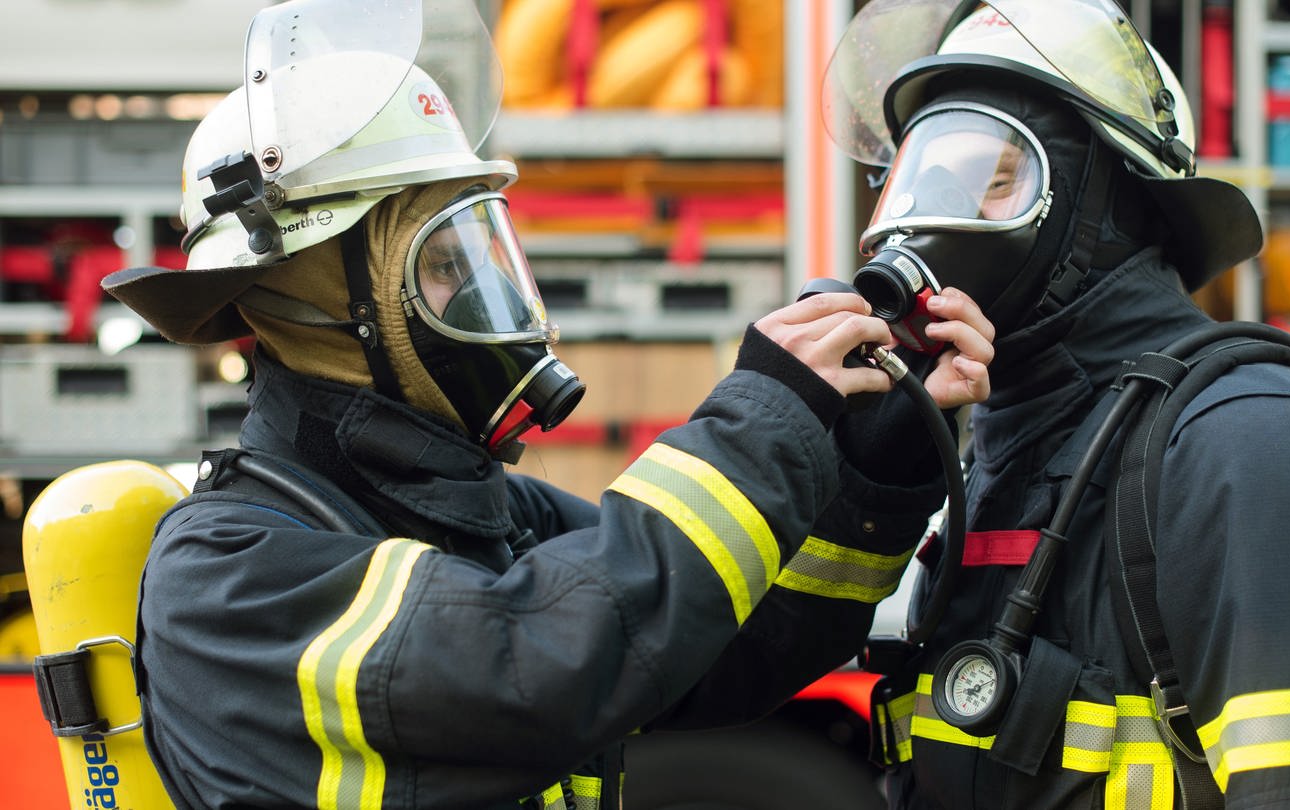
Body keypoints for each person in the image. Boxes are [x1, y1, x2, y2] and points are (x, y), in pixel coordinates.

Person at [98, 1, 994, 808]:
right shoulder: (230, 576)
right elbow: (548, 663)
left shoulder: (466, 509)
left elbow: (713, 642)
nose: (486, 302)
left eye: (484, 256)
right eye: (443, 268)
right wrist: (765, 412)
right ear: (316, 305)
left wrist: (874, 457)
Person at [821, 0, 1290, 807]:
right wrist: (868, 475)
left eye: (992, 179)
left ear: (1101, 208)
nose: (925, 226)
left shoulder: (1252, 443)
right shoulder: (1004, 452)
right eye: (917, 181)